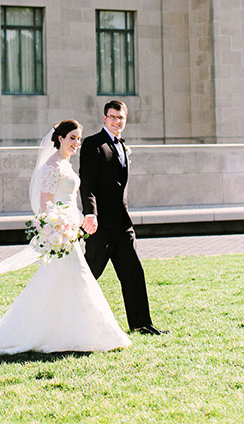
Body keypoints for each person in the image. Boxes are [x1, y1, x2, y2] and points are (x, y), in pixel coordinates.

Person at [0, 120, 131, 355]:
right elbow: (45, 205)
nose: (76, 143)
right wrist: (57, 228)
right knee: (74, 278)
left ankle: (70, 331)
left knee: (64, 281)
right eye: (72, 138)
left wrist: (78, 222)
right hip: (61, 232)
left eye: (79, 139)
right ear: (60, 138)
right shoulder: (52, 166)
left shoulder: (66, 164)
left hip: (71, 230)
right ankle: (74, 333)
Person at [79, 100, 167, 335]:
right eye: (113, 117)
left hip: (123, 225)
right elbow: (87, 184)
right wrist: (90, 213)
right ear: (104, 118)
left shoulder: (122, 146)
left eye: (121, 118)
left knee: (134, 273)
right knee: (88, 274)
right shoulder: (92, 145)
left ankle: (141, 324)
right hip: (101, 226)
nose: (117, 121)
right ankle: (67, 318)